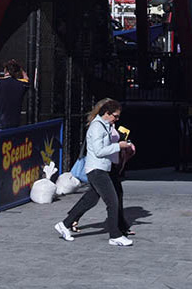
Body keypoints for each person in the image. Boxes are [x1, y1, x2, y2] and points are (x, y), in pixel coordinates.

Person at [54, 98, 136, 246]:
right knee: (112, 201)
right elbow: (99, 151)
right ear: (107, 113)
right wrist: (119, 146)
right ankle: (115, 235)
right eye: (115, 116)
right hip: (97, 169)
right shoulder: (97, 127)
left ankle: (65, 224)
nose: (116, 119)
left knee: (90, 200)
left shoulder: (105, 125)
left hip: (102, 168)